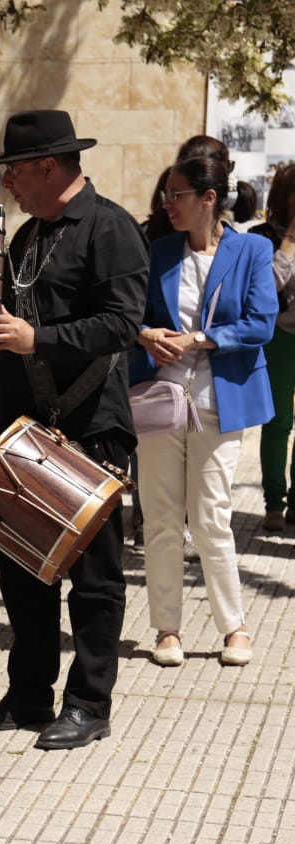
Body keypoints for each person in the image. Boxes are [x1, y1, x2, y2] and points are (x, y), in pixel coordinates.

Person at [0, 110, 147, 750]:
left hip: (92, 425)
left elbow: (121, 325)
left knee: (94, 580)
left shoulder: (111, 228)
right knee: (22, 570)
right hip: (27, 425)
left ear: (47, 166)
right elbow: (1, 325)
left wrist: (37, 339)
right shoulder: (28, 234)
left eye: (14, 169)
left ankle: (90, 703)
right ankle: (30, 694)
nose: (7, 182)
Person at [135, 150, 276, 667]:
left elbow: (261, 322)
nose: (167, 203)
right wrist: (147, 335)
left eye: (177, 195)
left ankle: (234, 626)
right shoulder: (159, 251)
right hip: (161, 400)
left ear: (209, 198)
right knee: (161, 518)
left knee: (211, 516)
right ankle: (167, 630)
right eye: (166, 194)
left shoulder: (253, 250)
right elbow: (132, 315)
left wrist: (200, 338)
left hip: (221, 399)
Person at [252, 165, 295, 530]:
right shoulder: (262, 238)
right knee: (278, 422)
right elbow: (266, 289)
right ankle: (274, 503)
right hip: (278, 337)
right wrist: (289, 242)